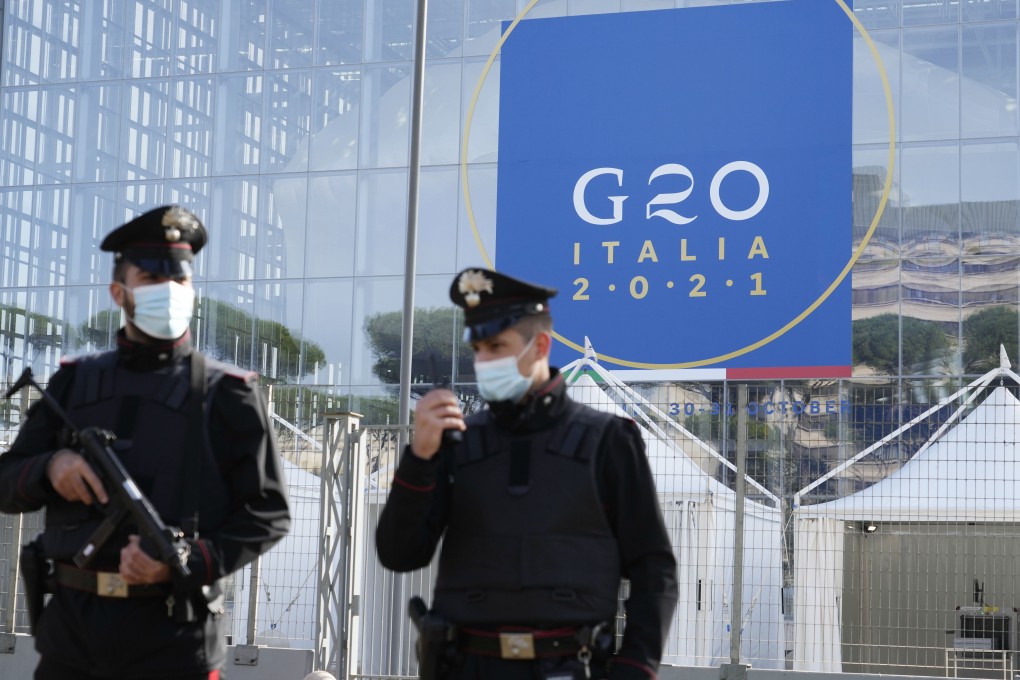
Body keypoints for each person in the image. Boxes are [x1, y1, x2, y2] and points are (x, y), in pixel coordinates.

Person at [0, 205, 292, 680]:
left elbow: (269, 512)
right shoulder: (73, 384)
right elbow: (6, 481)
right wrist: (50, 468)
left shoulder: (230, 394)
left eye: (180, 280)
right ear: (120, 292)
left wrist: (191, 560)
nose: (170, 291)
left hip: (174, 642)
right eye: (153, 278)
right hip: (73, 638)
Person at [375, 267, 678, 680]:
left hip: (570, 666)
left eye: (497, 346)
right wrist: (420, 457)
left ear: (540, 346)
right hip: (467, 667)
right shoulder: (458, 443)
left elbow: (653, 567)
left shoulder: (608, 441)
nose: (484, 361)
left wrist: (635, 666)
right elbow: (398, 554)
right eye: (479, 348)